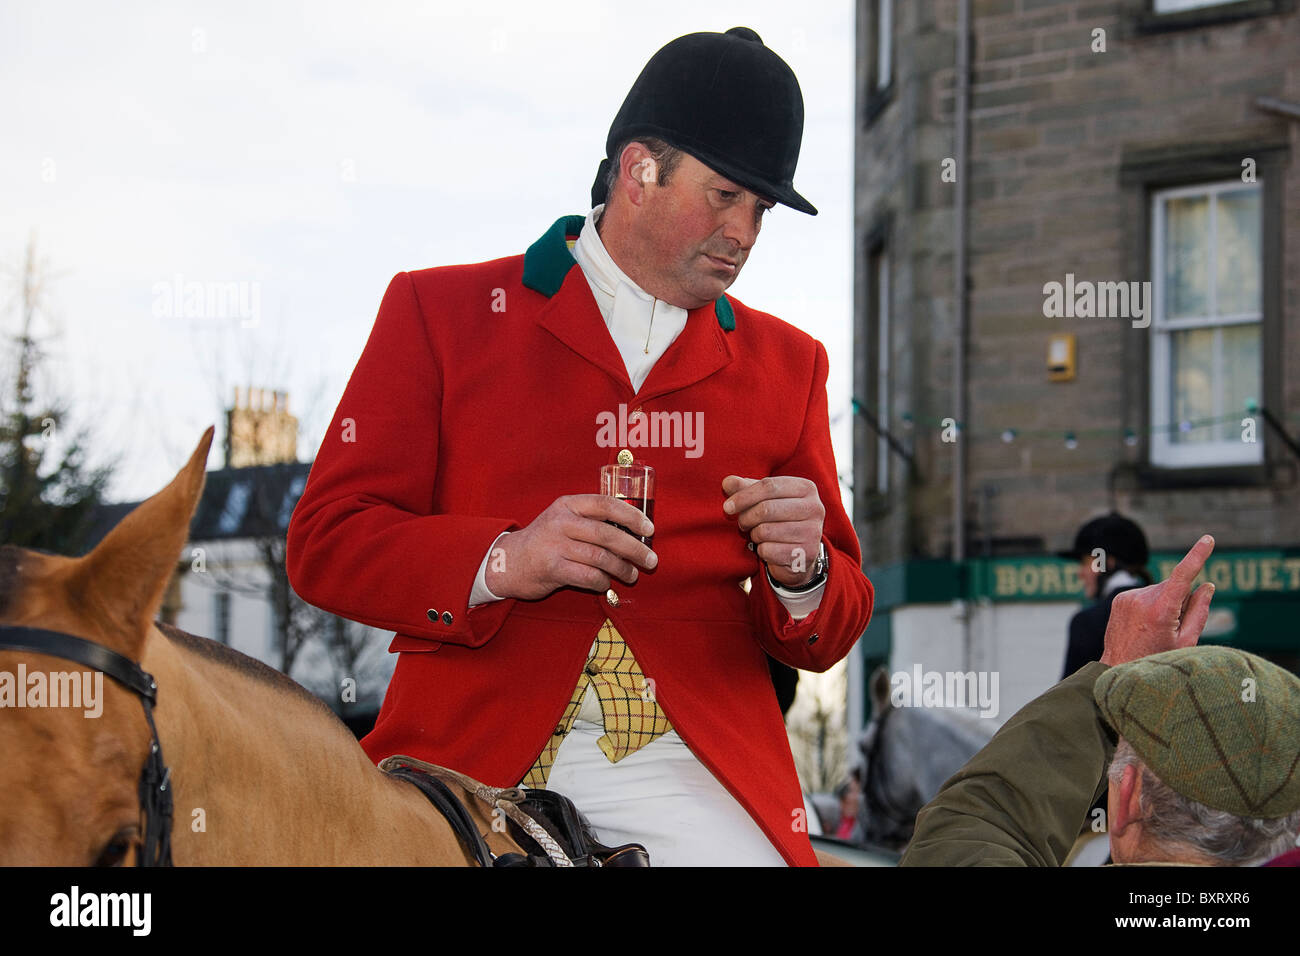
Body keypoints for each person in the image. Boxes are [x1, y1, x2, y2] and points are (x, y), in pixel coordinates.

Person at [286, 27, 874, 867]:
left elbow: (833, 629)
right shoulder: (438, 313)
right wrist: (505, 559)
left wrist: (804, 573)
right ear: (638, 169)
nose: (745, 232)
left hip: (691, 768)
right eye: (725, 196)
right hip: (460, 763)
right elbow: (324, 544)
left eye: (762, 209)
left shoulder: (791, 366)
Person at [901, 535, 1300, 866]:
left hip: (1092, 791)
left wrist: (1110, 667)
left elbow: (974, 826)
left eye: (1083, 562)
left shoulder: (1092, 617)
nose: (1079, 572)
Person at [1060, 511, 1152, 678]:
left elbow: (1066, 699)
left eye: (1085, 563)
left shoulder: (1087, 622)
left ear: (1107, 562)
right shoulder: (1166, 610)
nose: (1080, 573)